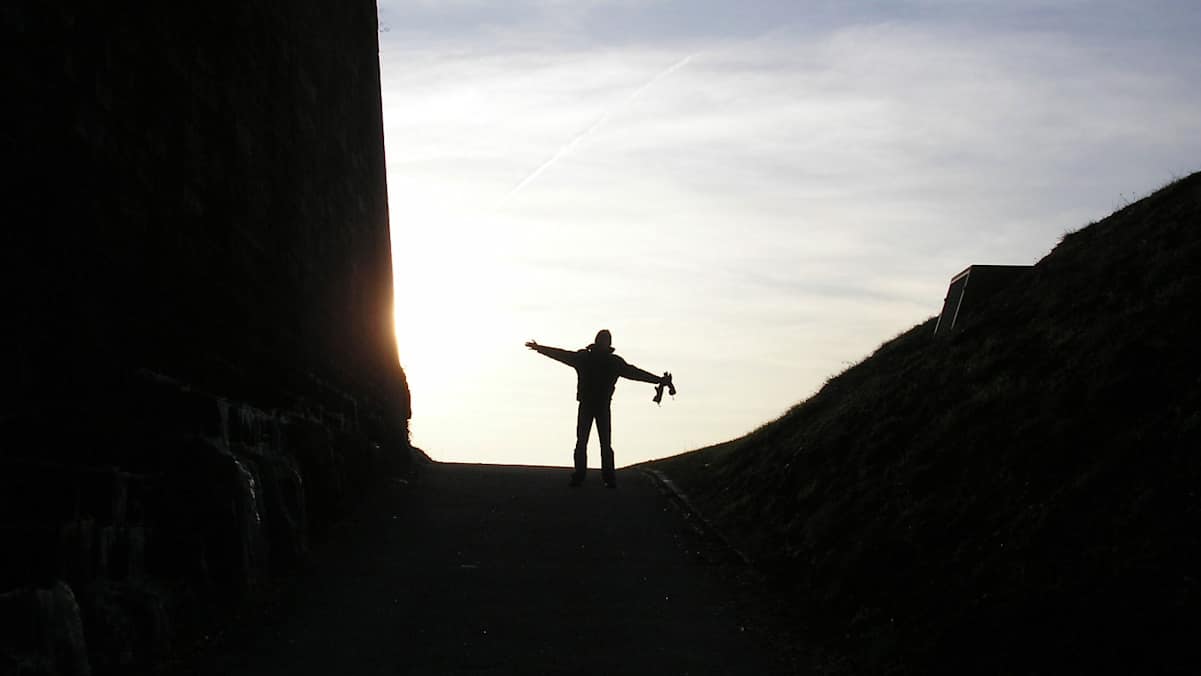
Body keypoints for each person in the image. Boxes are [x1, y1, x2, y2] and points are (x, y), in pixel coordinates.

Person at [526, 330, 672, 488]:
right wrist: (659, 380)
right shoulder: (607, 361)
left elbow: (562, 355)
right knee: (596, 442)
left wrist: (540, 348)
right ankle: (603, 477)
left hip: (592, 405)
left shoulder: (588, 358)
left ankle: (585, 476)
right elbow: (635, 373)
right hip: (598, 405)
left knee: (588, 442)